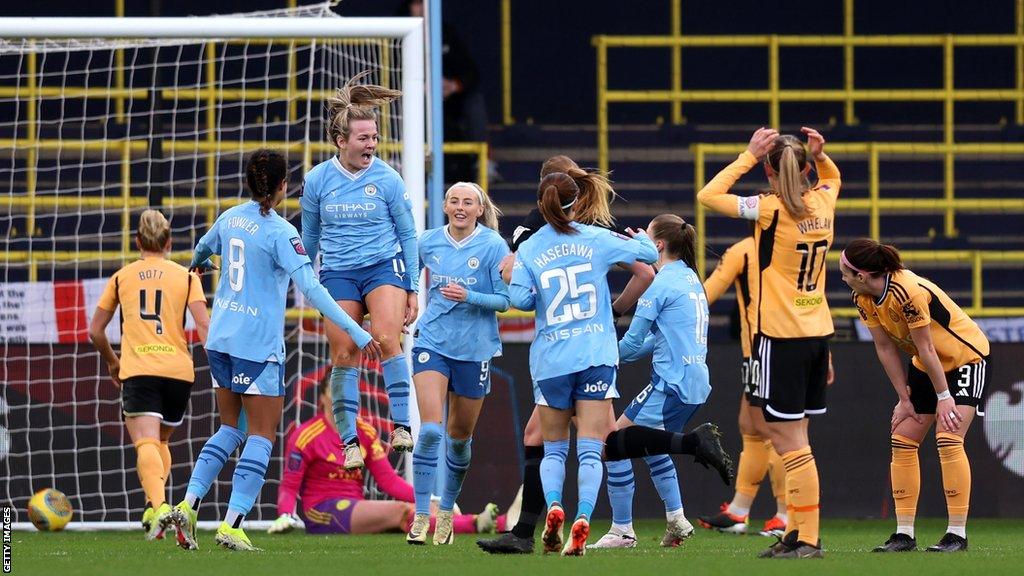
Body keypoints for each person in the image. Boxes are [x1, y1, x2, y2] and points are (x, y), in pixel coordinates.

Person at [168, 149, 382, 552]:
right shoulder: (282, 233)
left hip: (220, 341)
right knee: (263, 435)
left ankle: (189, 503)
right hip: (257, 346)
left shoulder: (230, 217)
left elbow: (201, 248)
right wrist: (356, 327)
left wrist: (196, 265)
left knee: (231, 429)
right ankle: (232, 524)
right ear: (284, 187)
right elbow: (314, 289)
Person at [479, 154, 655, 555]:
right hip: (594, 350)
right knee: (595, 442)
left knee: (553, 445)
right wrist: (641, 241)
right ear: (577, 199)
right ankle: (588, 517)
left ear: (541, 201)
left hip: (552, 357)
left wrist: (508, 276)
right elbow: (647, 260)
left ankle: (550, 511)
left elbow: (521, 300)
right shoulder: (595, 236)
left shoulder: (530, 242)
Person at [698, 126, 839, 559]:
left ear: (770, 171)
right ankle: (794, 531)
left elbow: (708, 195)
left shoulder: (768, 210)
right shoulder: (823, 202)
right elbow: (834, 179)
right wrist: (819, 157)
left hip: (781, 336)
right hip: (818, 333)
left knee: (788, 440)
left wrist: (746, 155)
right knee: (794, 437)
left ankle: (807, 537)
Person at [301, 71, 419, 468]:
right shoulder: (317, 181)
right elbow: (310, 239)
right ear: (341, 141)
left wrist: (413, 287)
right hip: (337, 272)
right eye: (363, 138)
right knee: (344, 351)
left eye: (374, 137)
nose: (371, 145)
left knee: (387, 337)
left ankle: (401, 426)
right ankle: (349, 442)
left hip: (382, 266)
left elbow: (408, 234)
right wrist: (307, 282)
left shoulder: (387, 178)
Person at [842, 239, 989, 553]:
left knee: (948, 438)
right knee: (902, 439)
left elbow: (927, 346)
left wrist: (945, 397)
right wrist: (903, 398)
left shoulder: (906, 291)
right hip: (926, 365)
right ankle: (904, 534)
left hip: (965, 358)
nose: (841, 276)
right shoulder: (863, 297)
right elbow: (885, 348)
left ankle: (957, 535)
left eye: (845, 271)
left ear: (863, 275)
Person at [589, 214, 716, 549]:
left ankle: (622, 531)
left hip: (670, 384)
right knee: (649, 447)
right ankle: (676, 519)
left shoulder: (659, 286)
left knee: (612, 445)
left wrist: (596, 355)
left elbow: (631, 345)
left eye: (646, 237)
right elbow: (657, 340)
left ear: (658, 245)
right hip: (693, 381)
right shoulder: (689, 279)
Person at [88, 209, 211, 540]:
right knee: (162, 441)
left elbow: (96, 331)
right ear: (170, 242)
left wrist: (113, 362)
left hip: (140, 368)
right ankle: (152, 505)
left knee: (144, 441)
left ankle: (160, 511)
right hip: (179, 372)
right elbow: (203, 326)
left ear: (137, 241)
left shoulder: (122, 277)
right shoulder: (187, 277)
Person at [267, 375, 501, 537]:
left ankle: (494, 523)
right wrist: (285, 514)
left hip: (356, 507)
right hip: (322, 512)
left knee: (421, 509)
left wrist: (431, 499)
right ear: (323, 398)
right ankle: (474, 524)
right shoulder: (306, 435)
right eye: (335, 388)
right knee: (401, 512)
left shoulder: (366, 432)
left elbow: (388, 481)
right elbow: (289, 486)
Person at [407, 182, 510, 545]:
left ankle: (447, 510)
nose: (461, 207)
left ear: (480, 210)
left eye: (468, 202)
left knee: (458, 439)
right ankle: (422, 516)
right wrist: (409, 300)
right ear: (445, 206)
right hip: (432, 342)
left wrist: (470, 296)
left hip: (475, 350)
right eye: (454, 200)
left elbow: (505, 300)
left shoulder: (493, 246)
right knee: (431, 430)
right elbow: (406, 275)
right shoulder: (428, 241)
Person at [697, 234, 789, 537]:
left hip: (769, 348)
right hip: (775, 347)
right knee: (750, 424)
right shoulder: (797, 246)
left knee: (777, 430)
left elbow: (705, 294)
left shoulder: (745, 250)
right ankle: (739, 510)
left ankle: (788, 515)